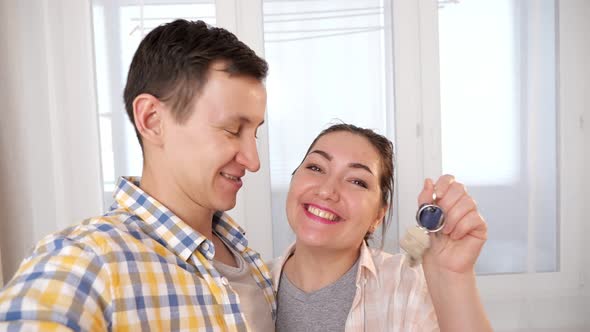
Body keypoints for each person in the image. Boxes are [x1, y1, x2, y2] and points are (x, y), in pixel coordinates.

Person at [0, 19, 275, 331]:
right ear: (152, 120)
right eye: (232, 129)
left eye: (255, 133)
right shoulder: (85, 262)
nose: (253, 161)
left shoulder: (253, 266)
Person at [272, 123, 492, 331]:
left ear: (378, 215)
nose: (327, 190)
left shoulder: (409, 287)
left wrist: (454, 277)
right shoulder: (247, 285)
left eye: (357, 181)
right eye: (316, 167)